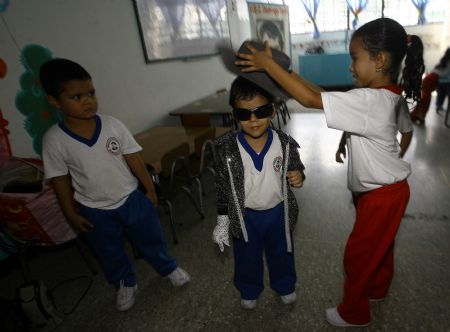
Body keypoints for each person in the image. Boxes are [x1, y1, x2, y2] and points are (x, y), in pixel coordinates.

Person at [235, 17, 424, 327]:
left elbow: (310, 99)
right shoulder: (387, 96)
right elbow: (320, 93)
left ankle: (353, 312)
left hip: (381, 195)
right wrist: (289, 72)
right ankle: (377, 289)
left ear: (379, 60)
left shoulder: (369, 100)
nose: (350, 66)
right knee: (381, 246)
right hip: (385, 191)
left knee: (358, 255)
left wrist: (269, 65)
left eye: (354, 58)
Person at [40, 58, 190, 312]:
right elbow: (60, 180)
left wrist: (150, 189)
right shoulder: (54, 140)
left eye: (91, 93)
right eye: (76, 97)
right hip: (94, 209)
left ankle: (168, 268)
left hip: (131, 198)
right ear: (55, 101)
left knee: (151, 238)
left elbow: (134, 159)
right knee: (109, 252)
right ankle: (125, 283)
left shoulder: (112, 125)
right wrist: (70, 213)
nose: (88, 100)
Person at [212, 73, 305, 310]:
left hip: (278, 213)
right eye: (244, 114)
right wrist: (222, 222)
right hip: (245, 217)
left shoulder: (285, 143)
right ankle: (248, 288)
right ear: (235, 115)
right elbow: (222, 188)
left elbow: (297, 167)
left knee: (282, 252)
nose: (253, 120)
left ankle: (284, 285)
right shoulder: (225, 150)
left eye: (260, 111)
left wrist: (298, 176)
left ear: (273, 110)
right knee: (246, 256)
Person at [410, 47, 450, 124]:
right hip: (433, 78)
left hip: (430, 77)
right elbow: (445, 74)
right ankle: (417, 116)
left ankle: (418, 116)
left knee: (425, 98)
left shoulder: (445, 60)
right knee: (425, 99)